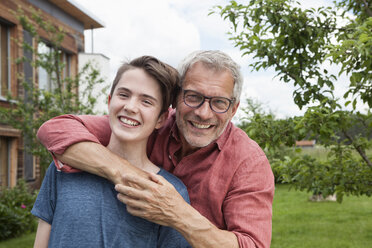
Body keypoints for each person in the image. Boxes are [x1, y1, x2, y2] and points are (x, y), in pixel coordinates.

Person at [37, 50, 275, 248]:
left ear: (234, 109)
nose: (203, 112)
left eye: (219, 102)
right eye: (193, 97)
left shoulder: (248, 163)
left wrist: (179, 214)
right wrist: (125, 174)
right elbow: (56, 130)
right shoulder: (143, 124)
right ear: (176, 99)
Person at [31, 56, 191, 247]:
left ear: (161, 119)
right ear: (109, 101)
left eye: (146, 102)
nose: (130, 107)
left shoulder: (169, 192)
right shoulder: (63, 167)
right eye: (123, 95)